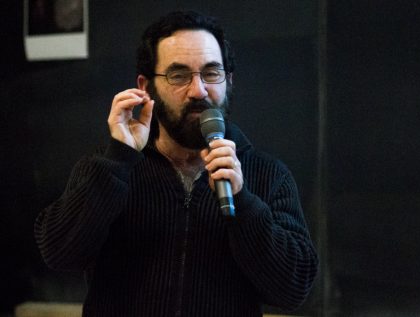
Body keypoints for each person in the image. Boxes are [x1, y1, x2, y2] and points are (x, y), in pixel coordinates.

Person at [34, 10, 318, 317]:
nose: (198, 91)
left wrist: (243, 204)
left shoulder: (267, 174)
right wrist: (118, 159)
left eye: (211, 73)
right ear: (145, 87)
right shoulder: (108, 167)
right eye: (179, 75)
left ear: (229, 81)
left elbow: (293, 289)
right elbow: (60, 254)